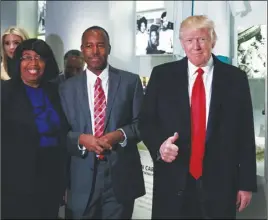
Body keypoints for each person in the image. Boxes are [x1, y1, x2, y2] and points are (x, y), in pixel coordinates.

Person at [139, 15, 257, 219]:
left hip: (220, 184)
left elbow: (245, 134)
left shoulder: (235, 78)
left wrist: (246, 185)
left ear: (213, 40)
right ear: (182, 43)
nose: (196, 46)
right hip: (173, 181)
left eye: (202, 39)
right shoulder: (162, 75)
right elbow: (146, 122)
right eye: (189, 40)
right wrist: (160, 146)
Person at [59, 26, 145, 219]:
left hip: (120, 179)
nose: (95, 51)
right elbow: (60, 132)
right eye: (89, 46)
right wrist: (81, 139)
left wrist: (120, 135)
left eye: (100, 45)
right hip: (81, 178)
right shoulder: (66, 88)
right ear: (82, 49)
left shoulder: (130, 82)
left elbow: (142, 124)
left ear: (109, 48)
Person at [1, 38, 69, 218]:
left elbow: (64, 134)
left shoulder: (56, 91)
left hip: (51, 177)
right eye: (26, 57)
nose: (33, 63)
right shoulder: (4, 92)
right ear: (18, 62)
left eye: (39, 57)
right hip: (15, 181)